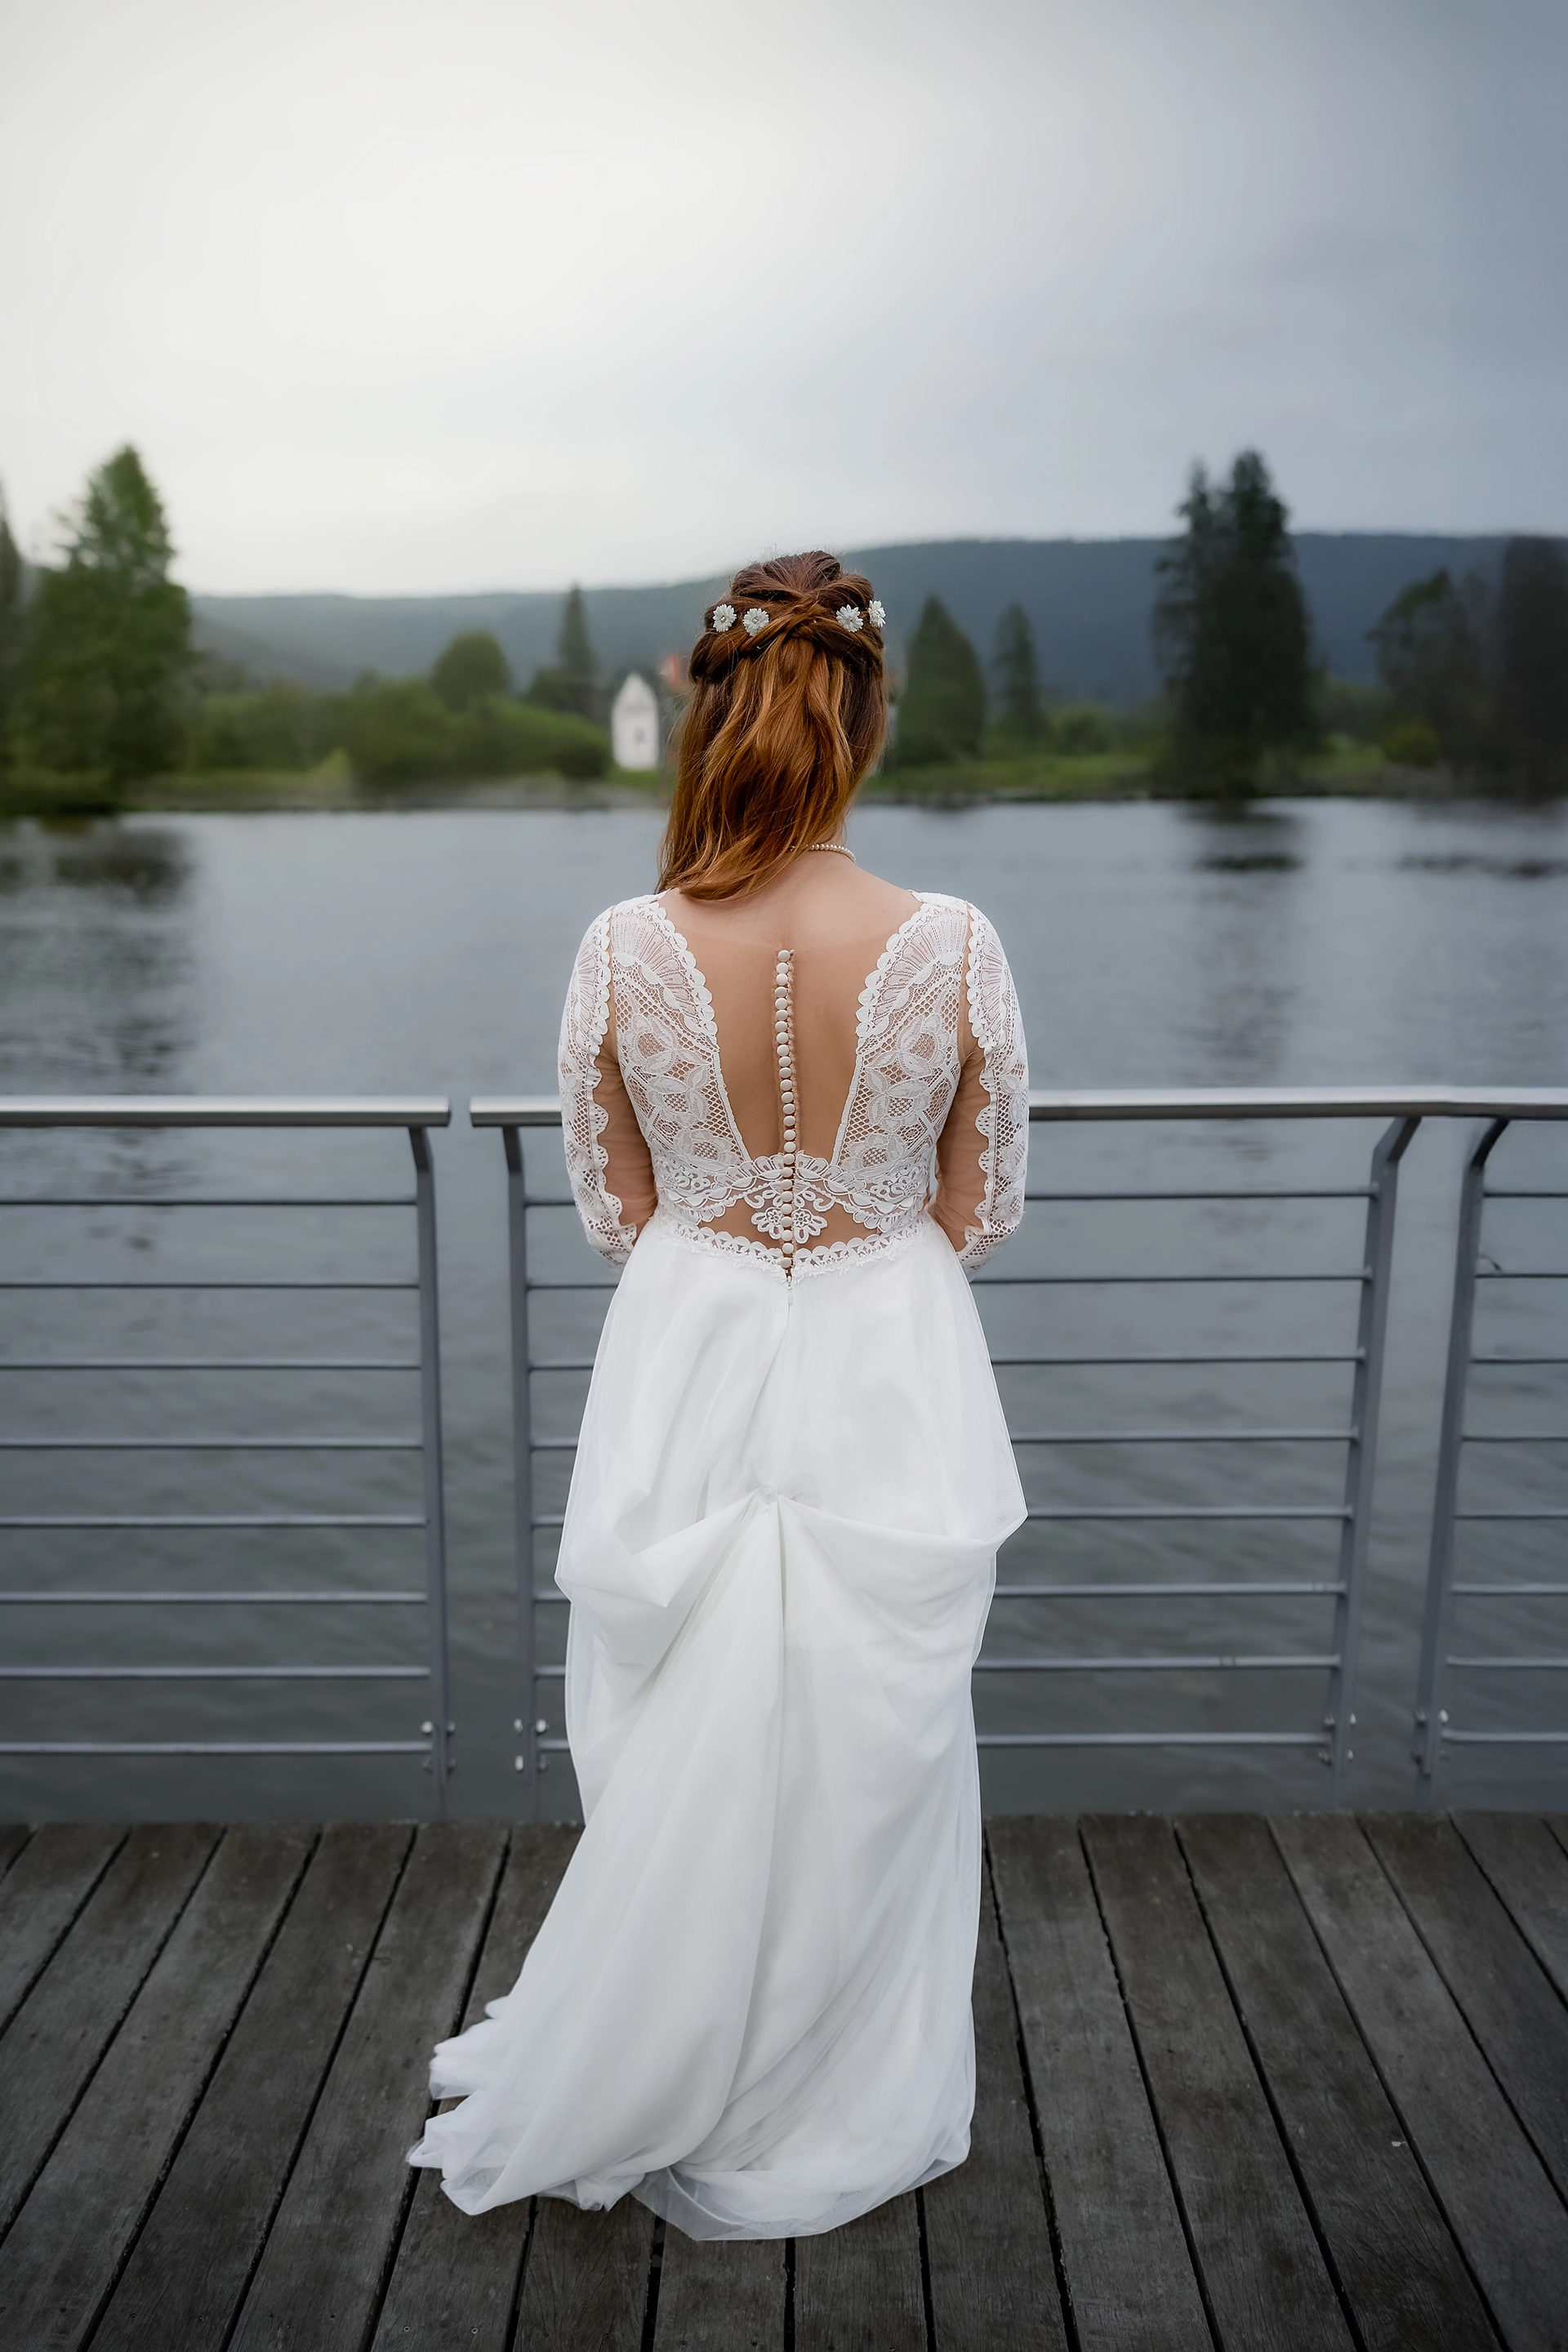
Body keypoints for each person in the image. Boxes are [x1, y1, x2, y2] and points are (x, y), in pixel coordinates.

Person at [409, 550, 1028, 2241]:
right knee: (866, 1725)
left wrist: (734, 1244)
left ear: (716, 717)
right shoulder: (958, 944)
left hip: (688, 1354)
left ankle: (674, 2029)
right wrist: (846, 1242)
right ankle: (831, 2060)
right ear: (867, 718)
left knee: (683, 1703)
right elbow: (978, 1212)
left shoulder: (619, 946)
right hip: (884, 1355)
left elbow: (616, 1213)